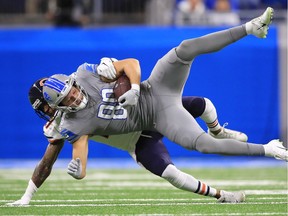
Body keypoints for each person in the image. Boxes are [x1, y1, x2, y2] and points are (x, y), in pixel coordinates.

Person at [43, 6, 287, 201]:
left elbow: (132, 64)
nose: (74, 97)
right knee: (203, 145)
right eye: (68, 100)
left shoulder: (85, 73)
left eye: (71, 91)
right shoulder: (73, 124)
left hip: (155, 86)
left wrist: (135, 87)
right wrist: (79, 173)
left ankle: (250, 27)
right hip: (158, 117)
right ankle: (267, 149)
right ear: (62, 107)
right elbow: (80, 159)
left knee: (185, 48)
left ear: (72, 82)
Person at [7, 72, 247, 207]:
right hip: (136, 141)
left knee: (201, 104)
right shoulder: (63, 125)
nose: (48, 112)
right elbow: (47, 163)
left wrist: (121, 78)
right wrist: (26, 197)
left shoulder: (82, 81)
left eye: (46, 106)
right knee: (170, 173)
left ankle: (216, 130)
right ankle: (221, 195)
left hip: (150, 113)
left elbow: (125, 68)